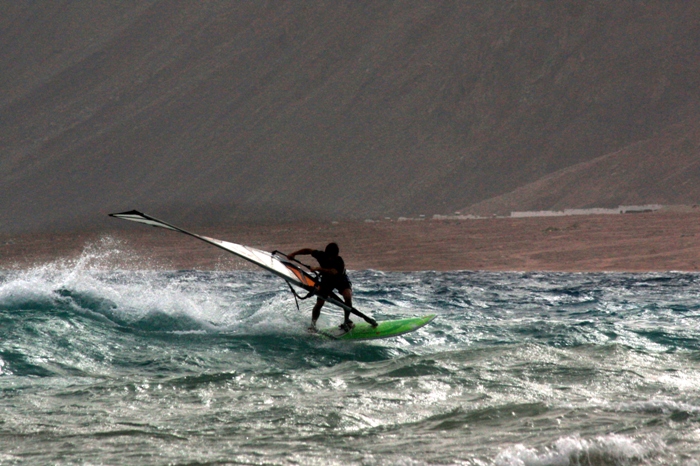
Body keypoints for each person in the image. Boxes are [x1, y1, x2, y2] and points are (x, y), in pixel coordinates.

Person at [287, 242, 354, 332]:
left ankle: (346, 321)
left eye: (333, 257)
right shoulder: (321, 255)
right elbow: (308, 250)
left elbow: (333, 272)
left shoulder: (339, 261)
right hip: (327, 280)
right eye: (329, 256)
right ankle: (313, 325)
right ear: (326, 254)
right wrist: (294, 254)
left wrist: (318, 269)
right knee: (319, 303)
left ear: (336, 255)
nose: (331, 258)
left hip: (340, 280)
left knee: (348, 296)